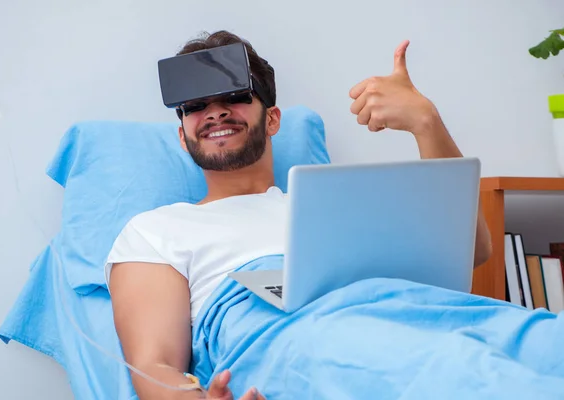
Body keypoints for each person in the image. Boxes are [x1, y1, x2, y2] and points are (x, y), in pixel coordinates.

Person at [106, 30, 493, 400]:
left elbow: (470, 249)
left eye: (235, 96)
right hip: (313, 353)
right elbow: (154, 366)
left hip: (419, 329)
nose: (216, 113)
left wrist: (426, 121)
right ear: (182, 136)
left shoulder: (342, 204)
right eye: (195, 106)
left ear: (273, 119)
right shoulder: (156, 230)